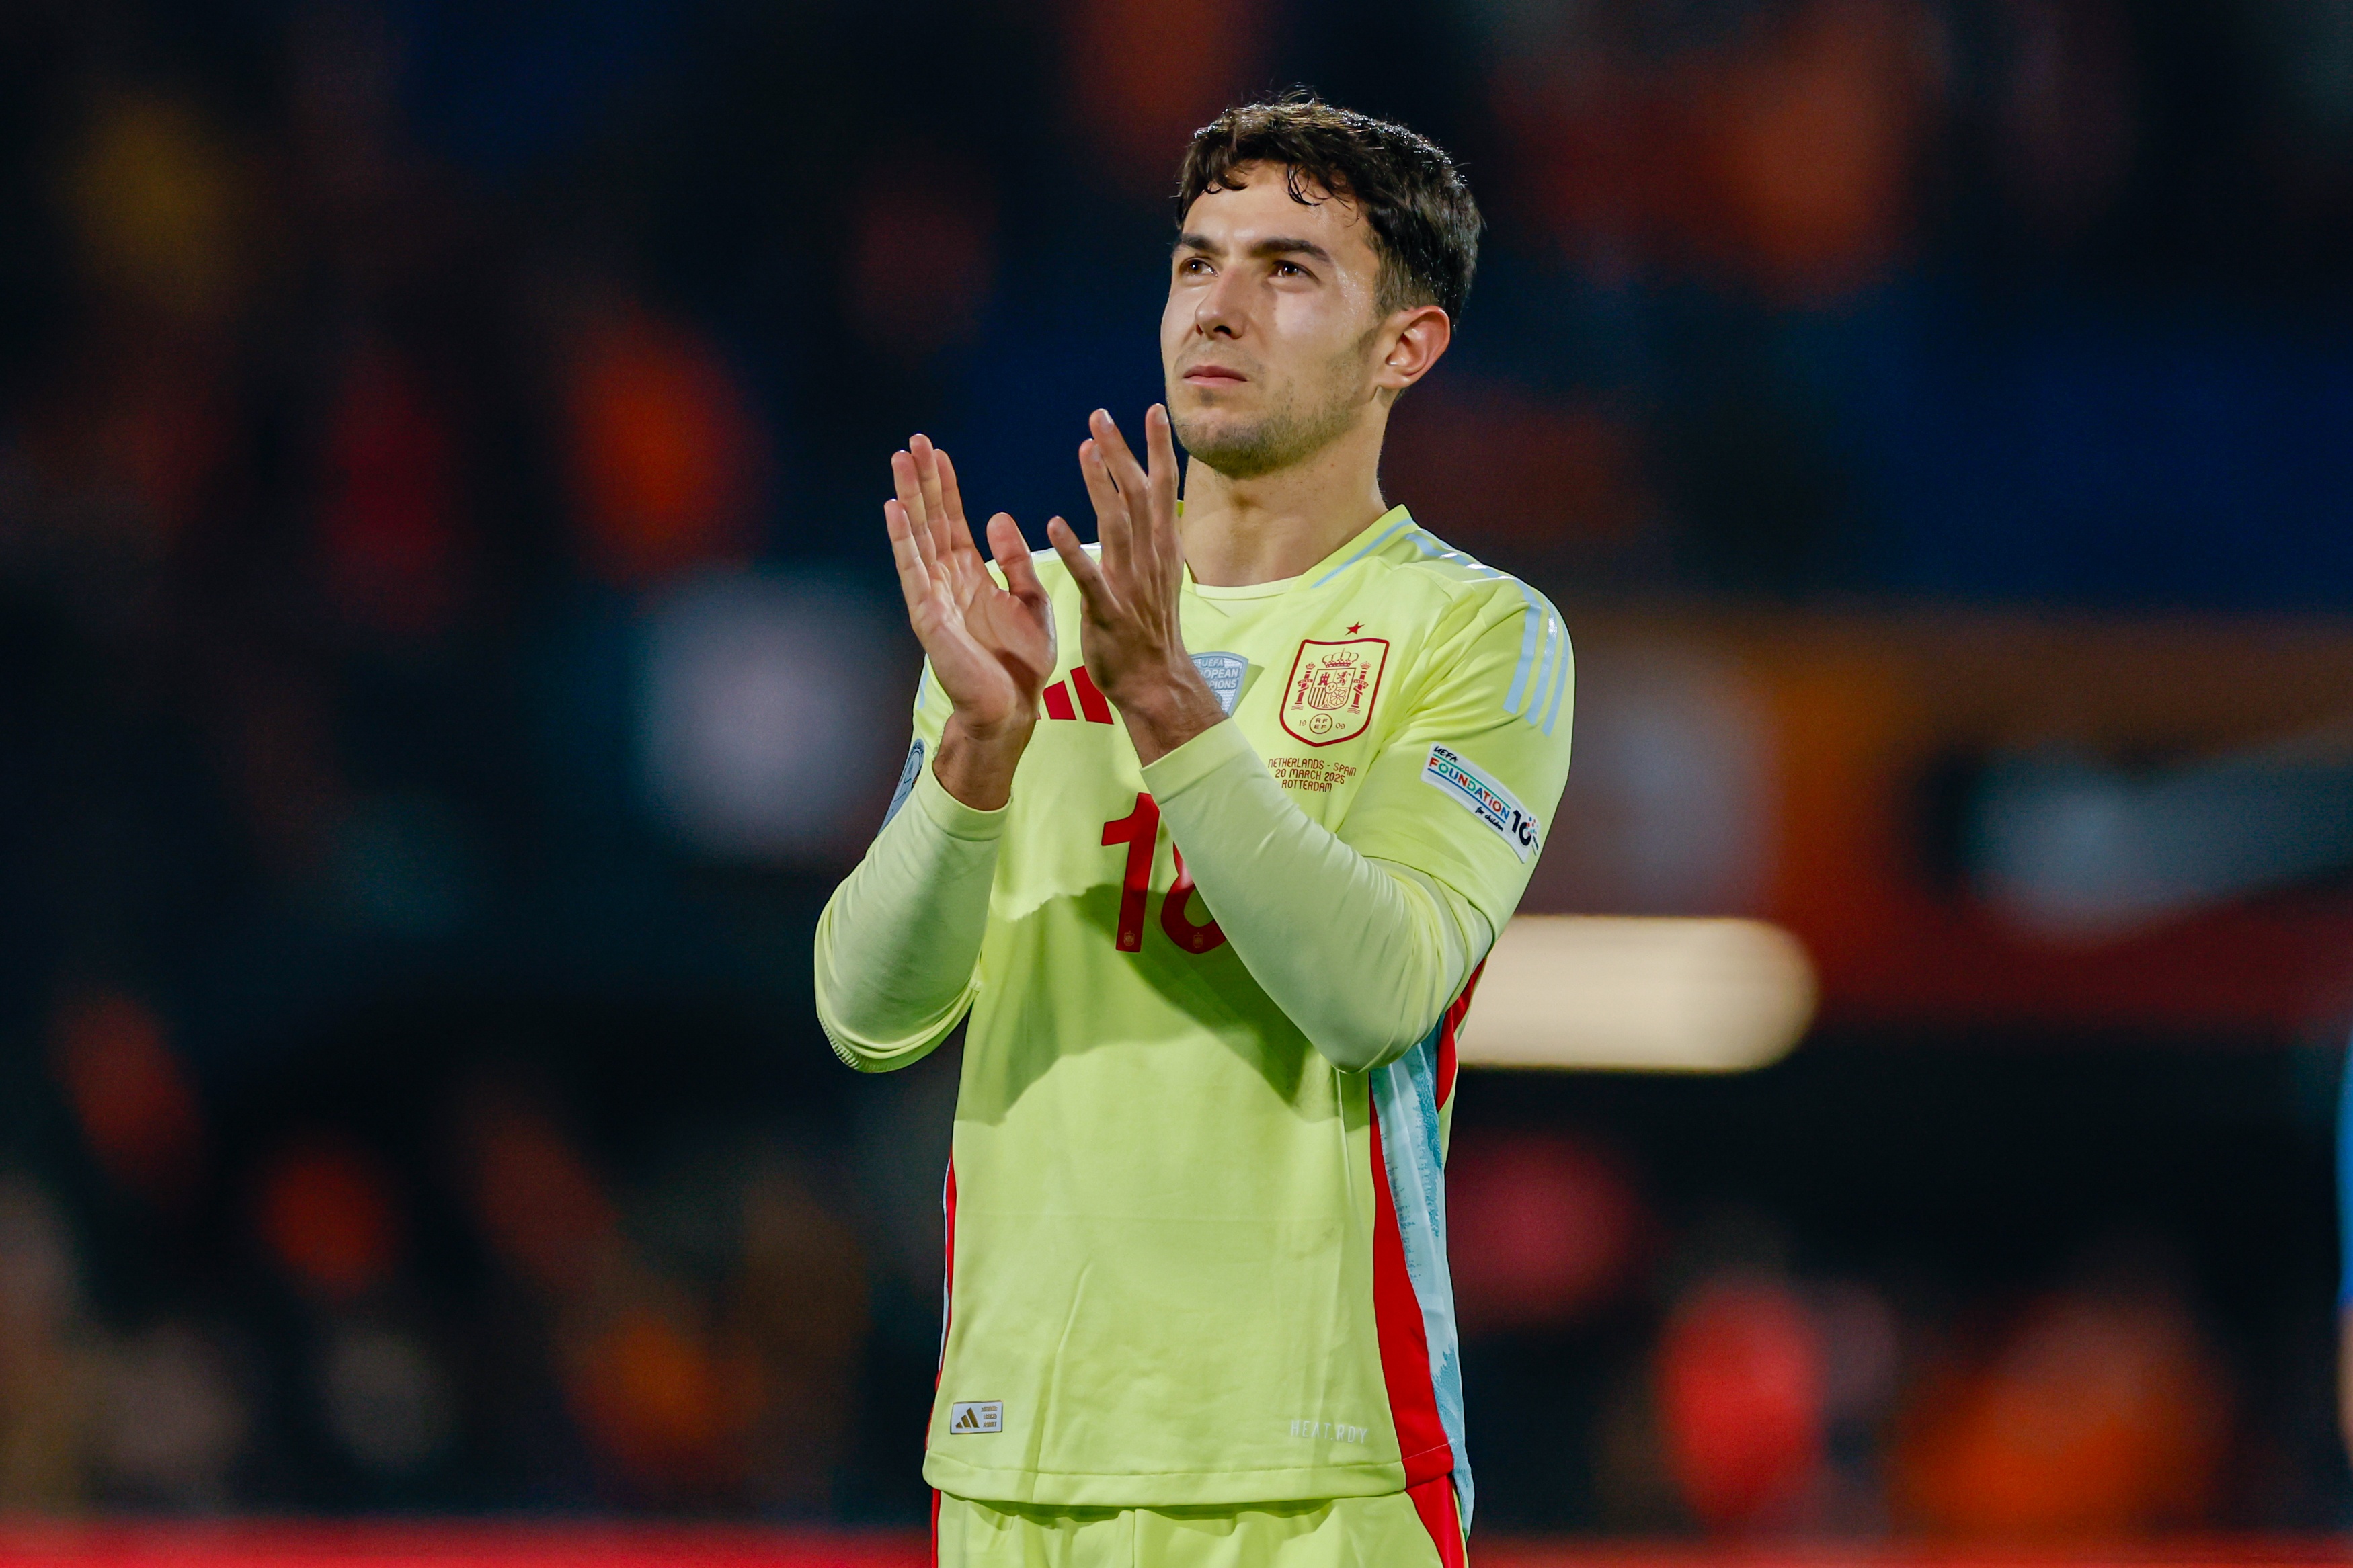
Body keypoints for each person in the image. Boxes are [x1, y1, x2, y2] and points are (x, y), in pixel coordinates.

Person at [814, 95, 1574, 1568]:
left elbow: (1375, 991)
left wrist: (1165, 702)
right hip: (1018, 1455)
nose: (1218, 305)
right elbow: (866, 1014)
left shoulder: (1478, 630)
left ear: (1406, 345)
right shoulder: (1022, 620)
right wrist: (977, 751)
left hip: (1313, 1468)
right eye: (1195, 262)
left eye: (1288, 270)